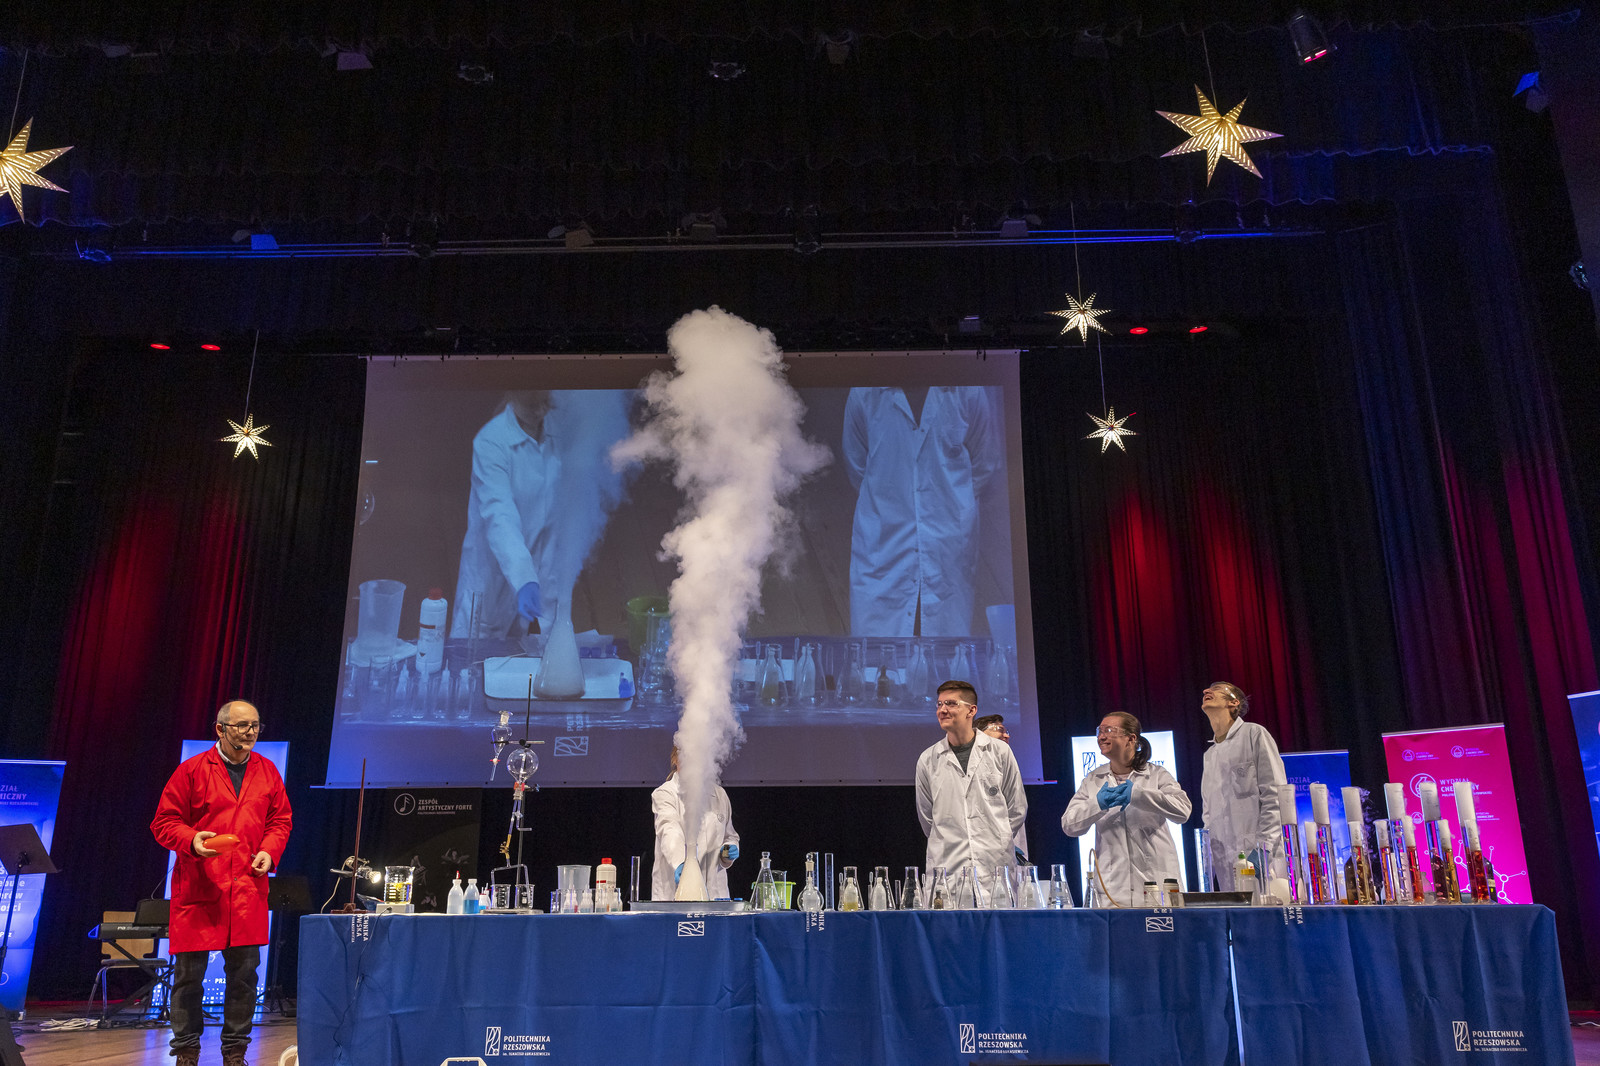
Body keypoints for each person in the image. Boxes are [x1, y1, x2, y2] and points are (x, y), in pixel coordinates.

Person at [150, 700, 292, 1066]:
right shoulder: (192, 770)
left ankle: (235, 1052)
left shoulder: (268, 771)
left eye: (255, 725)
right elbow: (164, 822)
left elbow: (280, 821)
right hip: (201, 886)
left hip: (246, 889)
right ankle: (186, 1051)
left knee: (244, 977)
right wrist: (192, 839)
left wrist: (269, 851)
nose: (250, 732)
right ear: (220, 729)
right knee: (188, 978)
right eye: (242, 725)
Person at [842, 386, 1004, 636]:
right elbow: (857, 465)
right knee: (876, 651)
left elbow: (985, 461)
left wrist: (950, 503)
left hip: (947, 544)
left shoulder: (968, 391)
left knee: (946, 648)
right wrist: (892, 502)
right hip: (883, 545)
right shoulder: (864, 393)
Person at [451, 392, 558, 639]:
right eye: (532, 404)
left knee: (532, 658)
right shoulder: (491, 441)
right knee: (474, 658)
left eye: (546, 402)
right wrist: (524, 578)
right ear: (514, 395)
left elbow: (555, 522)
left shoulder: (558, 435)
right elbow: (500, 515)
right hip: (491, 585)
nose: (540, 411)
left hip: (539, 584)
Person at [1061, 712, 1191, 908]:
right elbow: (1069, 825)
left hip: (1156, 886)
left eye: (1109, 730)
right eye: (1099, 731)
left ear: (1131, 739)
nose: (1101, 737)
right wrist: (1098, 805)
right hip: (1112, 891)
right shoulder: (1093, 779)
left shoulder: (1156, 775)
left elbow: (1183, 811)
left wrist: (1138, 795)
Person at [915, 681, 1027, 878]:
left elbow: (1017, 808)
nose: (942, 710)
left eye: (951, 703)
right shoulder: (928, 759)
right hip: (949, 867)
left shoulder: (999, 751)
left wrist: (995, 838)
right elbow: (927, 819)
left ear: (971, 710)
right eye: (939, 704)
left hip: (994, 866)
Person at [1199, 681, 1288, 889]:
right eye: (1208, 689)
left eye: (1217, 689)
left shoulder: (1254, 734)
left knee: (1265, 903)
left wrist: (1263, 849)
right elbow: (1208, 812)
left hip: (1258, 856)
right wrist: (1208, 859)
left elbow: (1275, 795)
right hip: (1224, 862)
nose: (1206, 691)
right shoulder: (1209, 755)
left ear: (1234, 702)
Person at [651, 747, 740, 900]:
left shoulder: (719, 794)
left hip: (715, 894)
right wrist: (682, 863)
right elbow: (669, 830)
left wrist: (728, 850)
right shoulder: (666, 793)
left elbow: (729, 836)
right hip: (675, 894)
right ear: (675, 759)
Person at [974, 714, 1028, 864]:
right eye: (999, 729)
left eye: (1006, 731)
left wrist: (1003, 839)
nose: (1006, 735)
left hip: (1005, 843)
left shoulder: (1007, 762)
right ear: (980, 734)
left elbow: (1018, 808)